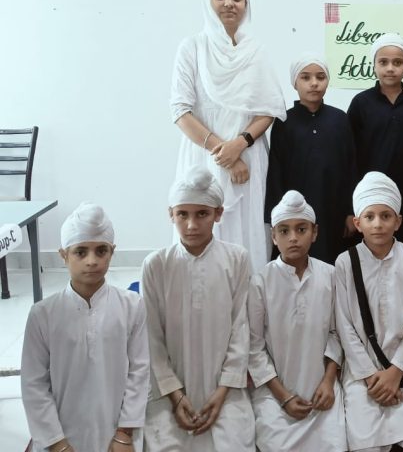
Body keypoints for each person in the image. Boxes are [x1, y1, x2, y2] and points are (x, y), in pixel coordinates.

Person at [170, 0, 287, 273]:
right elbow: (181, 111)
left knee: (249, 233)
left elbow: (269, 109)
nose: (229, 3)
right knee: (201, 226)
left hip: (249, 157)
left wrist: (240, 145)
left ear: (247, 4)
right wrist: (226, 154)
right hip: (204, 157)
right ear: (207, 1)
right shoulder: (192, 48)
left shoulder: (256, 51)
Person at [142, 166, 255, 451]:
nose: (191, 225)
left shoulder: (237, 259)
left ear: (218, 213)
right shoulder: (156, 265)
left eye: (202, 214)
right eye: (183, 214)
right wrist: (176, 395)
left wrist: (223, 390)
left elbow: (241, 329)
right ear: (171, 214)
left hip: (225, 389)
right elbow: (152, 339)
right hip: (168, 391)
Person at [21, 203, 149, 452]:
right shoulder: (43, 315)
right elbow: (33, 384)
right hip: (58, 437)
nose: (92, 261)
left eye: (101, 251)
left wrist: (124, 434)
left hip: (118, 436)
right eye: (81, 252)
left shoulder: (132, 306)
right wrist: (58, 444)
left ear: (112, 252)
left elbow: (140, 371)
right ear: (63, 255)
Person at [334, 171, 403, 452]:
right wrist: (371, 376)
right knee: (366, 448)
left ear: (398, 221)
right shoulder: (345, 263)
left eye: (385, 216)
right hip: (362, 371)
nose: (378, 224)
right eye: (369, 217)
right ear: (358, 223)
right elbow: (345, 326)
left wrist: (395, 373)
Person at [248, 190, 346, 452]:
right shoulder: (260, 282)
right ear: (273, 236)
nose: (293, 237)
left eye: (301, 229)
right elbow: (254, 348)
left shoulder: (331, 275)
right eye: (284, 231)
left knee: (335, 444)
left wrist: (328, 381)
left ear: (314, 233)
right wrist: (284, 397)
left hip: (322, 390)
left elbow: (337, 334)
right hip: (274, 394)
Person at [267, 53, 357, 264]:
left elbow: (351, 167)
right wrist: (277, 216)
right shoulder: (284, 122)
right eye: (306, 77)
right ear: (294, 83)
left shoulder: (340, 119)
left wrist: (351, 212)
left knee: (334, 264)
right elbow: (276, 172)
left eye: (320, 77)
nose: (314, 83)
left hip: (334, 209)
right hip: (295, 212)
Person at [347, 33, 403, 250]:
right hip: (370, 195)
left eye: (397, 62)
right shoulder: (361, 103)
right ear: (374, 65)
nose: (390, 68)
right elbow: (350, 155)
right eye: (383, 62)